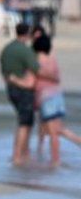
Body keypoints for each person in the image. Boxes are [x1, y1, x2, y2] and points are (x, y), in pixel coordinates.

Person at [20, 35, 81, 167]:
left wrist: (15, 81)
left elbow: (32, 81)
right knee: (57, 129)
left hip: (46, 97)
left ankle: (55, 161)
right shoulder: (52, 59)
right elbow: (56, 77)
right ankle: (75, 143)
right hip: (57, 95)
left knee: (53, 132)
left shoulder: (36, 61)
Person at [0, 23, 40, 166]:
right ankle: (18, 155)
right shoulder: (25, 50)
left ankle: (22, 152)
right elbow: (36, 68)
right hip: (23, 89)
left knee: (22, 121)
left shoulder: (7, 49)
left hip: (10, 89)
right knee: (25, 122)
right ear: (27, 34)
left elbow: (3, 70)